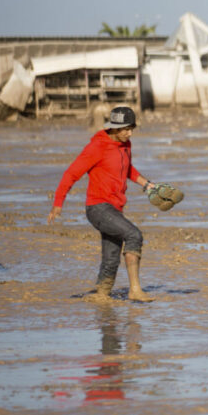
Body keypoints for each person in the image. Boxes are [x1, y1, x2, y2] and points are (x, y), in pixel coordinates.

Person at [47, 106, 159, 302]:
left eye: (132, 128)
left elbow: (127, 169)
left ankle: (101, 295)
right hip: (98, 207)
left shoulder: (126, 145)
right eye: (125, 129)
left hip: (115, 208)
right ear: (114, 128)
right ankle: (135, 290)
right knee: (134, 235)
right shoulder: (97, 147)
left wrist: (147, 184)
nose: (129, 133)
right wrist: (58, 203)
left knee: (112, 256)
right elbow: (72, 173)